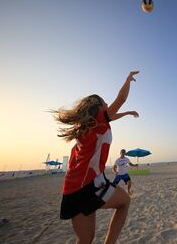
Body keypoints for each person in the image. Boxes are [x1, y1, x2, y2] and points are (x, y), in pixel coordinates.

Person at [54, 71, 140, 244]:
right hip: (89, 184)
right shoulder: (99, 121)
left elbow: (112, 116)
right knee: (124, 202)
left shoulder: (89, 124)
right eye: (105, 102)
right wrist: (127, 79)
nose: (108, 103)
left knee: (85, 239)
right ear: (98, 107)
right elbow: (121, 99)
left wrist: (126, 113)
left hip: (71, 188)